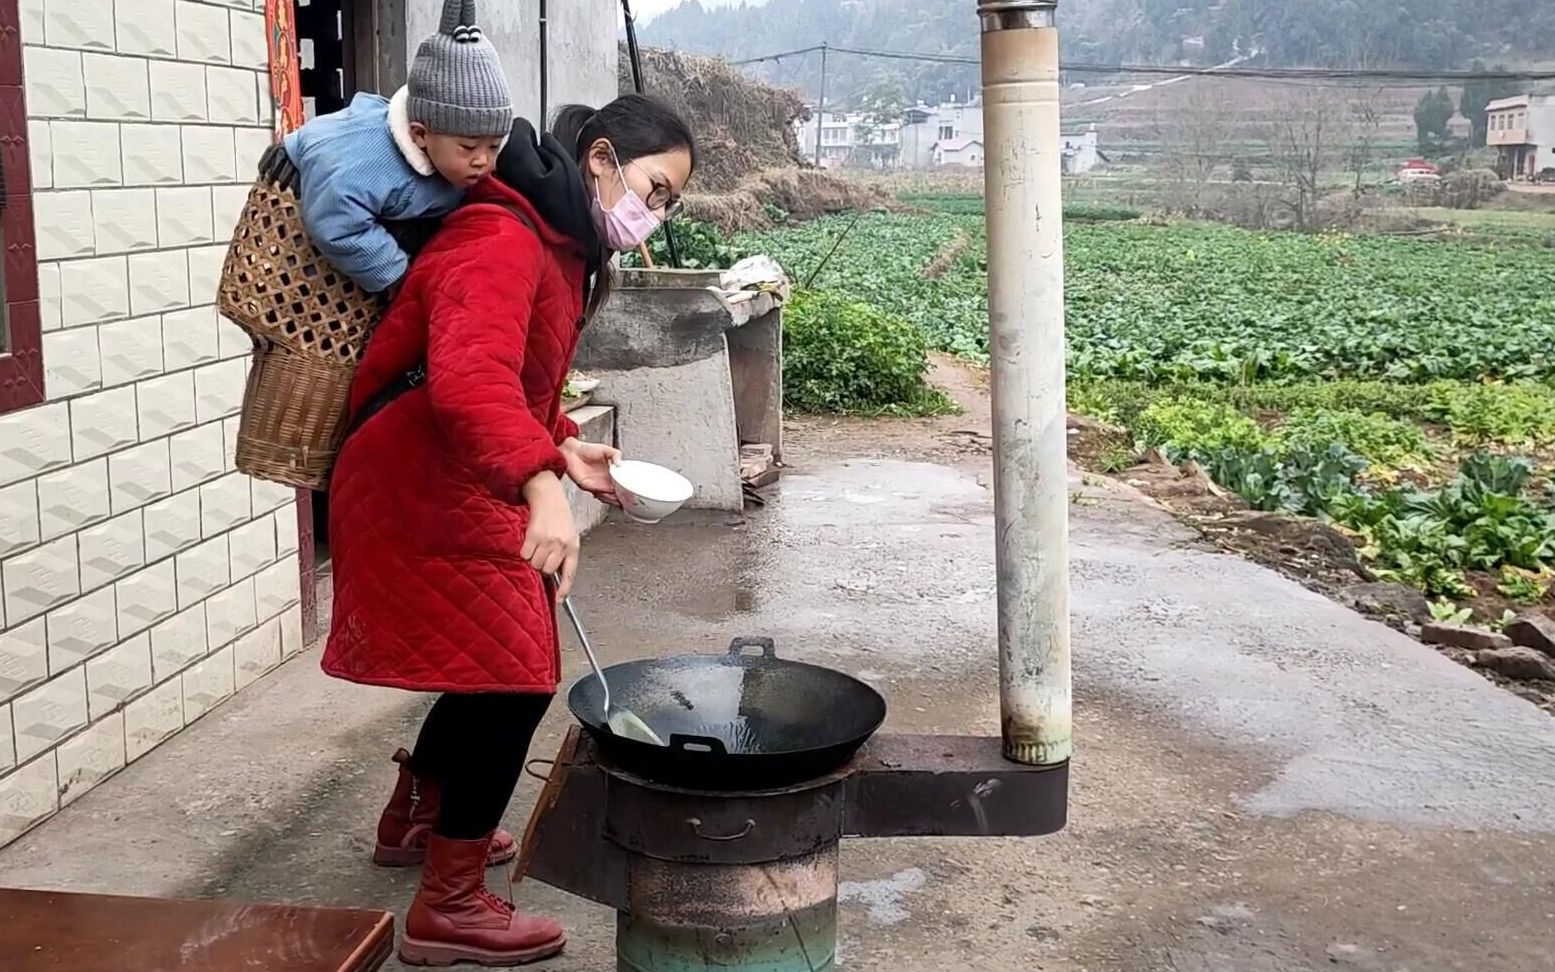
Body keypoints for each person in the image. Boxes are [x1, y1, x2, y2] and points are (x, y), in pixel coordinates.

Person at [321, 94, 697, 966]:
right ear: (600, 158)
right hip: (417, 474)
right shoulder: (503, 237)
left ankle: (415, 821)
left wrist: (565, 450)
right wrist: (539, 487)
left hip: (445, 464)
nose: (657, 211)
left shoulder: (554, 242)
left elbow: (513, 388)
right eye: (657, 187)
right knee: (518, 673)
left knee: (488, 659)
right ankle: (446, 908)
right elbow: (464, 382)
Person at [281, 0, 511, 295]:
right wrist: (399, 277)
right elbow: (334, 217)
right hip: (304, 233)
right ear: (420, 135)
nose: (483, 160)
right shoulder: (370, 162)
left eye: (494, 146)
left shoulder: (451, 164)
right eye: (468, 147)